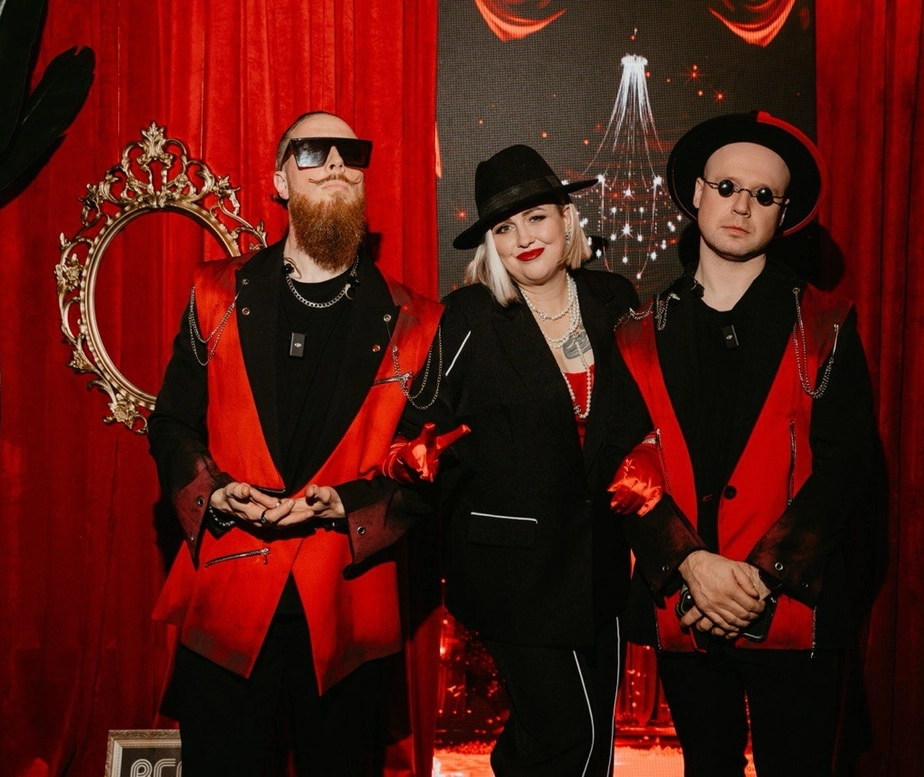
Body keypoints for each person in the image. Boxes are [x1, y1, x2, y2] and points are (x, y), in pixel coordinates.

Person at [381, 144, 703, 776]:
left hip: (601, 566)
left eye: (535, 217)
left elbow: (644, 411)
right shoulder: (470, 315)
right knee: (568, 737)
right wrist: (416, 454)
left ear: (565, 218)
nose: (524, 238)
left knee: (588, 744)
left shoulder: (612, 299)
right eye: (504, 228)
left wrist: (648, 456)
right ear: (490, 246)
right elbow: (413, 427)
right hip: (514, 574)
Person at [147, 110, 444, 775]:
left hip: (344, 609)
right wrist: (214, 491)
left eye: (351, 152)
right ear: (280, 181)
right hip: (230, 599)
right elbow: (171, 423)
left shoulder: (417, 321)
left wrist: (345, 503)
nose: (336, 162)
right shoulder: (215, 293)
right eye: (312, 150)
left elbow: (432, 466)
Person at [615, 112, 876, 775]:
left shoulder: (826, 325)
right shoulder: (638, 332)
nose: (741, 205)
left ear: (782, 213)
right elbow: (621, 464)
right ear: (696, 193)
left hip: (792, 610)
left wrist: (758, 578)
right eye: (728, 186)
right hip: (687, 607)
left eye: (763, 195)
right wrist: (691, 564)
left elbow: (848, 468)